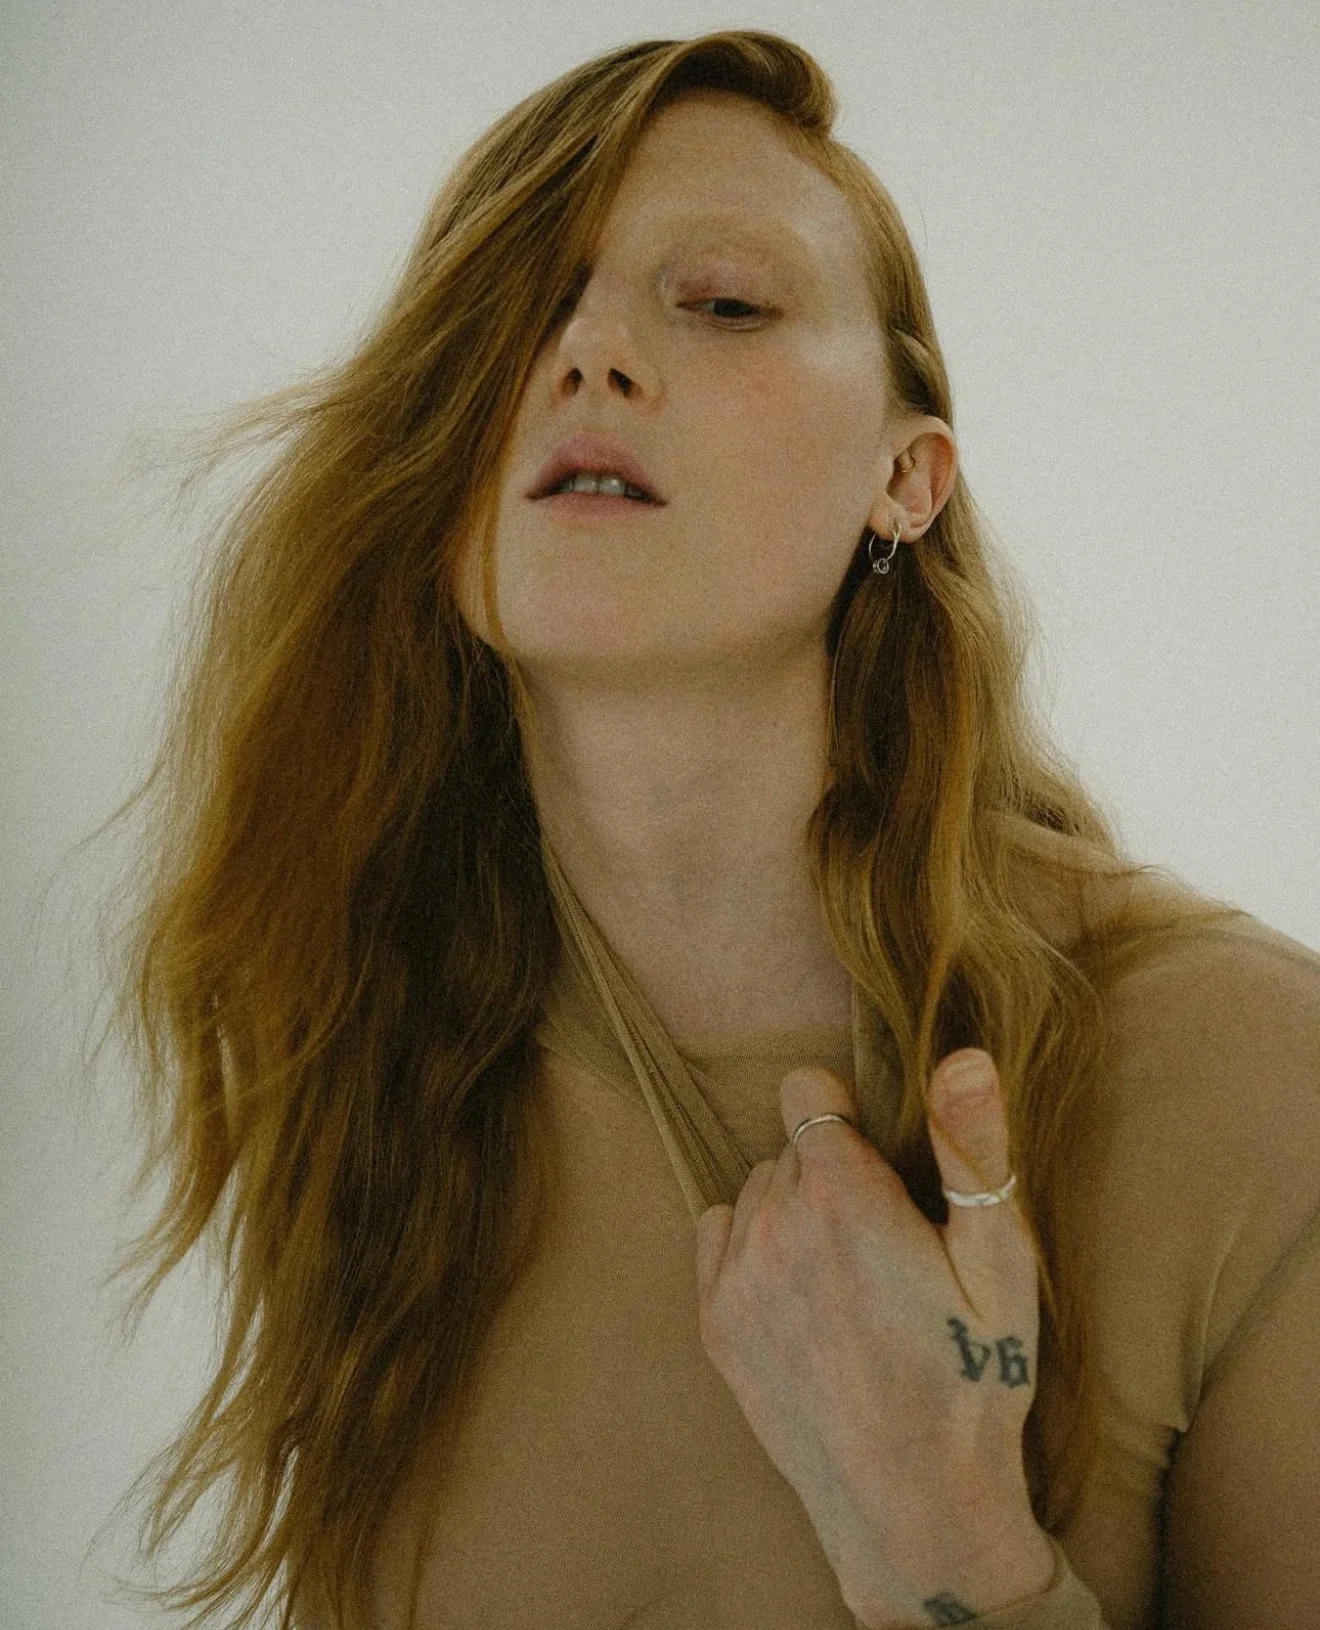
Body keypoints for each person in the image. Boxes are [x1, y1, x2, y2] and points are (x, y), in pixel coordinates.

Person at [90, 29, 1320, 1630]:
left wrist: (948, 1542)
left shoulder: (1244, 1076)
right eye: (520, 306)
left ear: (908, 480)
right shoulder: (368, 1044)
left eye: (726, 303)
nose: (587, 352)